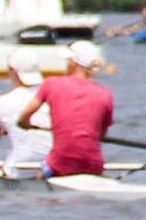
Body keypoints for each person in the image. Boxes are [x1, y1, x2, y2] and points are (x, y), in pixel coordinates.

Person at [17, 41, 113, 177]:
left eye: (68, 61)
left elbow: (23, 117)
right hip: (94, 165)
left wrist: (26, 125)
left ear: (73, 63)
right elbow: (100, 135)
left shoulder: (51, 84)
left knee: (41, 172)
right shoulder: (106, 94)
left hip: (60, 164)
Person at [0, 48, 51, 179]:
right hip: (53, 166)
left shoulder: (2, 102)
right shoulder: (54, 96)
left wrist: (4, 129)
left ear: (13, 72)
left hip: (21, 169)